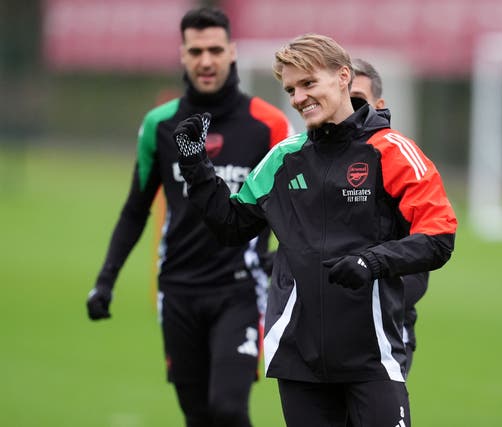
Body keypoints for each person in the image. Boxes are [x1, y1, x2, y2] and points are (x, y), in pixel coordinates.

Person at [172, 34, 457, 427]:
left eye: (308, 84)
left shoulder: (392, 151)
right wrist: (196, 167)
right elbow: (231, 225)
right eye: (290, 89)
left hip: (371, 356)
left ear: (343, 77)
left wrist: (370, 261)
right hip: (297, 357)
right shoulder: (284, 158)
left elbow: (439, 236)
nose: (298, 97)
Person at [86, 7, 291, 427]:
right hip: (177, 289)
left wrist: (283, 257)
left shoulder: (268, 124)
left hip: (239, 287)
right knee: (198, 417)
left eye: (215, 49)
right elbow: (134, 209)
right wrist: (106, 279)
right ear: (182, 54)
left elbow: (292, 204)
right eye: (196, 50)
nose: (206, 60)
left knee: (229, 410)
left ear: (232, 51)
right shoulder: (158, 125)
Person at [350, 58, 429, 376]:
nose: (349, 108)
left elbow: (426, 248)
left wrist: (377, 297)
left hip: (386, 330)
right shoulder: (303, 159)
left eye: (357, 100)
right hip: (317, 337)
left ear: (378, 104)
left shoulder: (398, 159)